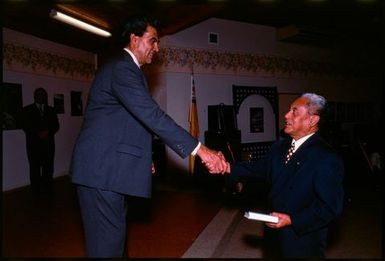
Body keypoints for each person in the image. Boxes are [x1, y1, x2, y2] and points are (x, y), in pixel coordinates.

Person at [70, 14, 226, 258]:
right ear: (134, 40)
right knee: (106, 248)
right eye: (153, 41)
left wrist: (144, 157)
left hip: (109, 171)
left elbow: (130, 121)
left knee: (114, 242)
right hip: (102, 172)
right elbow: (152, 116)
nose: (157, 47)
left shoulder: (128, 71)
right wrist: (200, 150)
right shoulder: (122, 68)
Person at [211, 93, 344, 258]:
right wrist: (226, 167)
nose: (286, 115)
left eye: (294, 112)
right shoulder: (280, 146)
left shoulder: (326, 157)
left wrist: (293, 220)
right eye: (289, 110)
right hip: (274, 234)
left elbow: (330, 207)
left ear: (312, 120)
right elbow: (257, 168)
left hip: (302, 240)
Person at [21, 87, 60, 194]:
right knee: (34, 168)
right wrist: (38, 133)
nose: (42, 96)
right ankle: (36, 190)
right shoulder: (26, 110)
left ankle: (48, 188)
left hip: (48, 145)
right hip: (34, 145)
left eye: (44, 94)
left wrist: (48, 132)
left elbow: (56, 126)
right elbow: (25, 125)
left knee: (48, 167)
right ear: (35, 96)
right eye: (39, 94)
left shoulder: (51, 110)